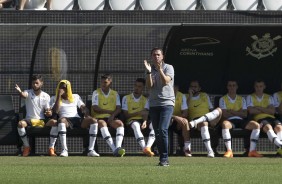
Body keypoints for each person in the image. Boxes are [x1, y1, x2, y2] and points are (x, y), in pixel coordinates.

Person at [46, 80, 99, 157]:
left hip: (77, 119)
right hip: (65, 120)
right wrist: (59, 96)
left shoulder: (76, 96)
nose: (62, 89)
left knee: (93, 120)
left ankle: (91, 150)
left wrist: (86, 113)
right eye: (60, 87)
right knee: (61, 120)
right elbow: (55, 111)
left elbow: (83, 107)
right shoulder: (54, 98)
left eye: (64, 88)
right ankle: (64, 150)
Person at [144, 47, 175, 166]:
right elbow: (149, 86)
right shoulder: (149, 69)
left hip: (167, 103)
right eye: (154, 55)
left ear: (162, 57)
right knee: (157, 132)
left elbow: (166, 81)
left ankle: (165, 158)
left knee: (163, 130)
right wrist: (148, 72)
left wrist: (160, 69)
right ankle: (162, 158)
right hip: (154, 104)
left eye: (158, 55)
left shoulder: (169, 67)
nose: (156, 57)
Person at [219, 80, 261, 158]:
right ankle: (229, 151)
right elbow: (225, 114)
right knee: (225, 124)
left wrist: (231, 111)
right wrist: (239, 112)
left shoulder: (242, 99)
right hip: (230, 120)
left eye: (234, 85)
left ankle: (252, 151)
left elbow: (245, 114)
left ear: (237, 87)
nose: (232, 87)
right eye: (230, 85)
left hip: (241, 120)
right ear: (227, 87)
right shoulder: (223, 99)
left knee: (256, 125)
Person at [15, 74, 51, 157]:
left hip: (41, 121)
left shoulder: (46, 96)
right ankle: (27, 147)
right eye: (33, 83)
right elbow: (23, 95)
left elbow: (48, 110)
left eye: (37, 83)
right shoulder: (28, 92)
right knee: (20, 124)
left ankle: (51, 148)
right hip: (29, 120)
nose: (34, 85)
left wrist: (49, 113)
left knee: (54, 122)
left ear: (41, 83)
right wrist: (20, 91)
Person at [91, 74, 125, 157]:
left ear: (110, 82)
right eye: (102, 82)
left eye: (105, 82)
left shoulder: (115, 93)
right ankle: (114, 149)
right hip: (99, 117)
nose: (103, 84)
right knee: (102, 123)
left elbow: (119, 108)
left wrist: (112, 116)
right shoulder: (96, 92)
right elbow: (95, 108)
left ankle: (118, 147)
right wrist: (109, 112)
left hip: (111, 117)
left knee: (120, 123)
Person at [246, 79, 282, 157]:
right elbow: (251, 111)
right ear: (254, 87)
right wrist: (266, 109)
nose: (259, 88)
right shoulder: (250, 97)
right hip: (259, 118)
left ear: (264, 87)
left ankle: (280, 149)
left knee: (279, 127)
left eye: (261, 86)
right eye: (257, 86)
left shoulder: (269, 97)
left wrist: (258, 107)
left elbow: (272, 111)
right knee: (268, 127)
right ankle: (280, 144)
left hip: (271, 117)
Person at [187, 80, 222, 158]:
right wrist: (190, 96)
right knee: (204, 123)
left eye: (195, 87)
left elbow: (211, 109)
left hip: (208, 118)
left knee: (219, 110)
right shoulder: (187, 97)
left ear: (199, 88)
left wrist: (214, 120)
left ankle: (200, 121)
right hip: (195, 119)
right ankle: (210, 151)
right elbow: (185, 109)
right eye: (192, 87)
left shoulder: (205, 95)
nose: (193, 88)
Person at [122, 78, 155, 157]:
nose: (137, 88)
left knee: (155, 126)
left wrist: (144, 121)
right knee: (136, 125)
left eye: (139, 86)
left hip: (143, 120)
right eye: (135, 86)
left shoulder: (145, 100)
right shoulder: (126, 98)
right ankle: (144, 147)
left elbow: (145, 113)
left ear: (143, 88)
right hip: (131, 121)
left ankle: (148, 147)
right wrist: (139, 112)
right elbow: (126, 115)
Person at [170, 85, 191, 157]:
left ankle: (187, 149)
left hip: (176, 119)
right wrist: (175, 117)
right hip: (166, 119)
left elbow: (185, 112)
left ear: (177, 88)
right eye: (171, 86)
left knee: (185, 121)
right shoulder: (164, 95)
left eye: (174, 87)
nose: (173, 89)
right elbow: (163, 113)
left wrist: (180, 119)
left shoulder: (182, 96)